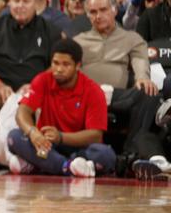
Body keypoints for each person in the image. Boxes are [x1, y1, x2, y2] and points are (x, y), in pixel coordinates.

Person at [75, 0, 166, 177]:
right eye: (92, 12)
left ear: (114, 10)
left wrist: (142, 78)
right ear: (87, 15)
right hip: (86, 97)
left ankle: (130, 153)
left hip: (117, 97)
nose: (98, 16)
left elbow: (141, 62)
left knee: (149, 93)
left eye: (103, 10)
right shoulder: (78, 42)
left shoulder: (131, 39)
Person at [0, 0, 56, 169]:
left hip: (34, 89)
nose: (20, 5)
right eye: (16, 0)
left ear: (36, 3)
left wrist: (36, 84)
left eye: (25, 1)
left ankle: (41, 150)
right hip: (1, 87)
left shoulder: (50, 30)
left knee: (47, 96)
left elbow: (55, 65)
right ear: (9, 3)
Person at [6, 39, 114, 177]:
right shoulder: (42, 80)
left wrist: (61, 137)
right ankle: (68, 167)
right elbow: (22, 112)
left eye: (66, 64)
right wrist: (33, 132)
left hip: (78, 147)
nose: (59, 69)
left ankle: (38, 165)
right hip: (46, 145)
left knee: (105, 155)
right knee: (14, 137)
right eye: (55, 63)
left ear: (78, 65)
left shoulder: (93, 90)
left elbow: (95, 136)